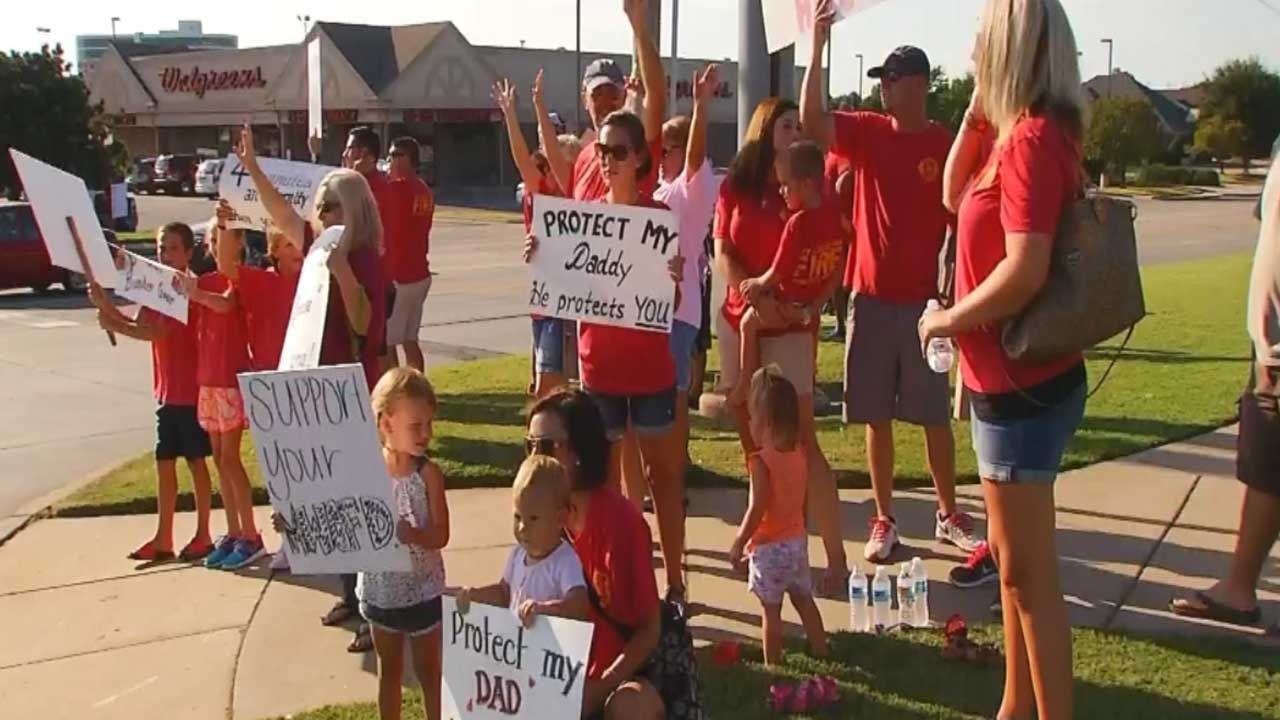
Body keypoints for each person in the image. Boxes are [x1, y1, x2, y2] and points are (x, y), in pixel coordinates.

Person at [918, 1, 1089, 716]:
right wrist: (977, 113)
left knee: (1028, 576)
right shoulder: (1020, 133)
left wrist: (947, 320)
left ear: (1009, 47)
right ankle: (1014, 706)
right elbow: (955, 194)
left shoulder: (1030, 143)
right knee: (1014, 573)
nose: (972, 50)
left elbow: (1025, 267)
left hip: (1021, 384)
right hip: (1009, 383)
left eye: (983, 41)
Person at [802, 13, 981, 562]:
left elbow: (963, 222)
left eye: (893, 78)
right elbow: (812, 121)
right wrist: (818, 43)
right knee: (875, 415)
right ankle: (885, 520)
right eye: (882, 78)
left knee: (931, 417)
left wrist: (957, 297)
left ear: (920, 83)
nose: (884, 86)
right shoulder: (867, 131)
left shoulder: (943, 142)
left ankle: (948, 514)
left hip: (926, 308)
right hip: (871, 302)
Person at [524, 110, 688, 604]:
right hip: (600, 370)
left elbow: (669, 307)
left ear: (640, 157)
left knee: (664, 481)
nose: (609, 160)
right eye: (603, 151)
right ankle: (607, 583)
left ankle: (676, 582)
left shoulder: (658, 217)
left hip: (652, 370)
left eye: (620, 151)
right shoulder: (583, 213)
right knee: (605, 486)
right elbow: (558, 283)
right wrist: (541, 255)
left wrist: (673, 280)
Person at [236, 124, 388, 652]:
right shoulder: (318, 251)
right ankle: (350, 592)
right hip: (318, 395)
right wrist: (254, 168)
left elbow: (365, 324)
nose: (323, 215)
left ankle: (375, 611)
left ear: (356, 211)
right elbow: (282, 215)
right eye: (321, 207)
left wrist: (342, 266)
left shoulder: (365, 263)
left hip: (356, 395)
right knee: (330, 504)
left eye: (333, 206)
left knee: (360, 509)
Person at [714, 97, 847, 592]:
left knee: (802, 443)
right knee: (758, 452)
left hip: (793, 327)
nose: (796, 130)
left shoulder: (816, 189)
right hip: (743, 317)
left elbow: (836, 253)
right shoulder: (737, 185)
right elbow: (723, 247)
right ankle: (769, 546)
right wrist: (757, 293)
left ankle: (835, 560)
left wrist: (811, 307)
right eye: (786, 124)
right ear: (765, 131)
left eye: (799, 125)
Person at [1171, 148, 1280, 632]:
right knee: (1265, 466)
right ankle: (1238, 588)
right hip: (1270, 346)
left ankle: (1239, 588)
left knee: (1268, 465)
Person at [525, 390, 665, 719]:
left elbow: (649, 631)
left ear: (579, 450)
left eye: (545, 446)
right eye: (528, 445)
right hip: (559, 672)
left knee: (627, 707)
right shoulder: (535, 516)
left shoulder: (623, 522)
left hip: (620, 676)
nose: (534, 457)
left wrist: (599, 687)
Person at [90, 224, 214, 563]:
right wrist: (106, 305)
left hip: (189, 391)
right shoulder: (155, 288)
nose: (166, 253)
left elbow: (155, 333)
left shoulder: (186, 291)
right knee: (164, 462)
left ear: (189, 253)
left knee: (196, 461)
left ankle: (204, 533)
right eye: (162, 247)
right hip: (166, 391)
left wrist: (116, 325)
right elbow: (138, 323)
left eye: (173, 248)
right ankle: (164, 537)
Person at [359, 368, 448, 720]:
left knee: (429, 671)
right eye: (416, 426)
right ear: (386, 423)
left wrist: (414, 535)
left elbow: (441, 535)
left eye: (429, 424)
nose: (425, 434)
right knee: (389, 671)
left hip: (422, 592)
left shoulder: (429, 475)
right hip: (379, 591)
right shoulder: (366, 471)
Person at [728, 140, 843, 408]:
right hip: (806, 306)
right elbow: (838, 267)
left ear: (806, 185)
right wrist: (813, 308)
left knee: (748, 324)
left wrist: (756, 283)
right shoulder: (834, 215)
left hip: (783, 302)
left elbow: (779, 270)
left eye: (785, 185)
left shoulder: (797, 223)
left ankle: (747, 381)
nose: (781, 191)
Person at [729, 367, 829, 668]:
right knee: (804, 601)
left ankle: (772, 663)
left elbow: (757, 506)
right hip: (797, 541)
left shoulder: (761, 462)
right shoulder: (798, 454)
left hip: (770, 546)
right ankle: (821, 648)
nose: (749, 424)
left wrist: (739, 542)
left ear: (767, 424)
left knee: (771, 610)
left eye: (753, 418)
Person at [654, 63, 722, 497]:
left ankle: (673, 477)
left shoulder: (692, 189)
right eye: (660, 147)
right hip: (648, 312)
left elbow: (695, 158)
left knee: (675, 398)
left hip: (678, 313)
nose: (662, 153)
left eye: (669, 147)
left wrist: (700, 107)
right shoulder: (658, 189)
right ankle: (655, 474)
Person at [493, 76, 584, 399]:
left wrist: (535, 108)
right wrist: (511, 116)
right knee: (545, 382)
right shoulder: (541, 190)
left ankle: (545, 440)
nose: (546, 164)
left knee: (550, 385)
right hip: (543, 293)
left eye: (556, 159)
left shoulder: (571, 193)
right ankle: (544, 439)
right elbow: (522, 158)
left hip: (564, 296)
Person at [182, 222, 261, 570]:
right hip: (208, 380)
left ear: (238, 241)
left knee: (230, 458)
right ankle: (232, 531)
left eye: (221, 239)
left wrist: (195, 294)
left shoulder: (240, 279)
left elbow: (227, 306)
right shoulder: (205, 280)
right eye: (211, 240)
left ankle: (251, 534)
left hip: (231, 379)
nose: (215, 246)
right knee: (218, 457)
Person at [456, 455, 589, 625]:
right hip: (517, 647)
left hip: (547, 648)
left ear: (560, 519)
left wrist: (546, 610)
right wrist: (476, 595)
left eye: (533, 518)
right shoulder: (517, 554)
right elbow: (504, 593)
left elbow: (579, 604)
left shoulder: (564, 561)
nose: (522, 527)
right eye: (518, 517)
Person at [383, 137, 436, 372]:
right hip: (419, 275)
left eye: (395, 155)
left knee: (388, 343)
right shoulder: (423, 189)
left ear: (408, 159)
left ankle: (396, 390)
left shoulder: (397, 189)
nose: (390, 161)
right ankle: (418, 384)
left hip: (400, 278)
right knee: (409, 339)